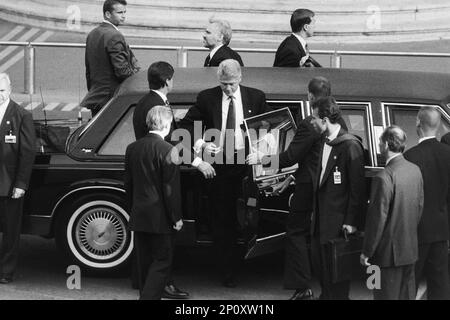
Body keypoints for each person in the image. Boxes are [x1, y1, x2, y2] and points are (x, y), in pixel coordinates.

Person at [246, 76, 340, 300]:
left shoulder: (309, 124)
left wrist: (261, 158)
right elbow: (313, 157)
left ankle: (302, 286)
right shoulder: (337, 121)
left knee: (295, 233)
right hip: (326, 187)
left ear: (309, 96)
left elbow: (290, 156)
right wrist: (289, 180)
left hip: (308, 188)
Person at [179, 59, 271, 287]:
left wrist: (259, 151)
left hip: (246, 165)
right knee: (222, 219)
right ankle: (227, 271)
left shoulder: (256, 97)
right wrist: (201, 144)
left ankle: (253, 261)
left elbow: (270, 128)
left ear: (240, 77)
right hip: (219, 167)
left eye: (231, 84)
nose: (228, 89)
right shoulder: (206, 98)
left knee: (251, 217)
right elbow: (185, 127)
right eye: (223, 84)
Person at [124, 105, 184, 300]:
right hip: (161, 217)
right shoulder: (170, 150)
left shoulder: (132, 148)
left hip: (139, 213)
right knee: (162, 261)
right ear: (166, 125)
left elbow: (129, 184)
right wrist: (176, 218)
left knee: (144, 263)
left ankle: (145, 295)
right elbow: (170, 190)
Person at [309, 96, 365, 299]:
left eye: (314, 118)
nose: (311, 121)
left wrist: (351, 222)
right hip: (320, 225)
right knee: (324, 277)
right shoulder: (324, 142)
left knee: (338, 283)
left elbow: (357, 190)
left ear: (325, 119)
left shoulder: (349, 146)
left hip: (338, 227)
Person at [361, 126, 424, 300]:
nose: (379, 145)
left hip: (386, 255)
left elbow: (377, 220)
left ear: (387, 145)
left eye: (380, 142)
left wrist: (367, 251)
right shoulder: (415, 170)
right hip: (409, 249)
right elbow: (419, 207)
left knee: (382, 295)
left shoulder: (384, 177)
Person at [404, 107, 450, 300]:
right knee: (440, 282)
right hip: (441, 229)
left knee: (410, 280)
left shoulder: (410, 156)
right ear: (439, 126)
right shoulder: (448, 153)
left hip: (417, 231)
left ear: (418, 124)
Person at [0, 73, 36, 284]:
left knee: (11, 232)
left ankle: (6, 271)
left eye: (2, 91)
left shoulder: (22, 115)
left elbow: (27, 152)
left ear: (10, 89)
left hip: (10, 184)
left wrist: (21, 184)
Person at [81, 0, 139, 116]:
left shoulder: (93, 34)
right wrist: (136, 74)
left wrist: (93, 90)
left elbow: (88, 70)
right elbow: (123, 71)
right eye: (119, 12)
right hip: (111, 99)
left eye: (124, 12)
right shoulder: (114, 36)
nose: (123, 16)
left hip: (96, 97)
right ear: (108, 14)